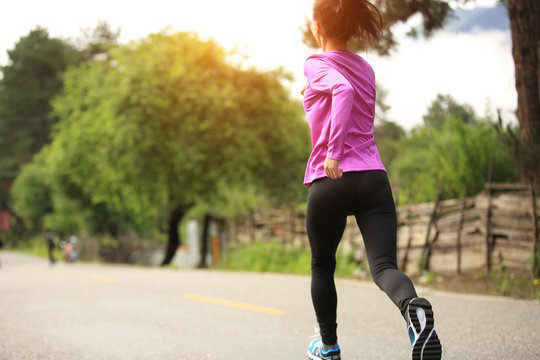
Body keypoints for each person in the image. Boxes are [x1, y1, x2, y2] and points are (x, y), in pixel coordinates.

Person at [301, 1, 442, 359]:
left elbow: (342, 92)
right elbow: (351, 93)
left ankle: (329, 347)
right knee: (383, 267)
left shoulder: (316, 64)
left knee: (322, 266)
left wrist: (333, 152)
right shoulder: (365, 67)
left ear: (318, 29)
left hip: (332, 178)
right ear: (350, 28)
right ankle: (413, 310)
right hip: (373, 179)